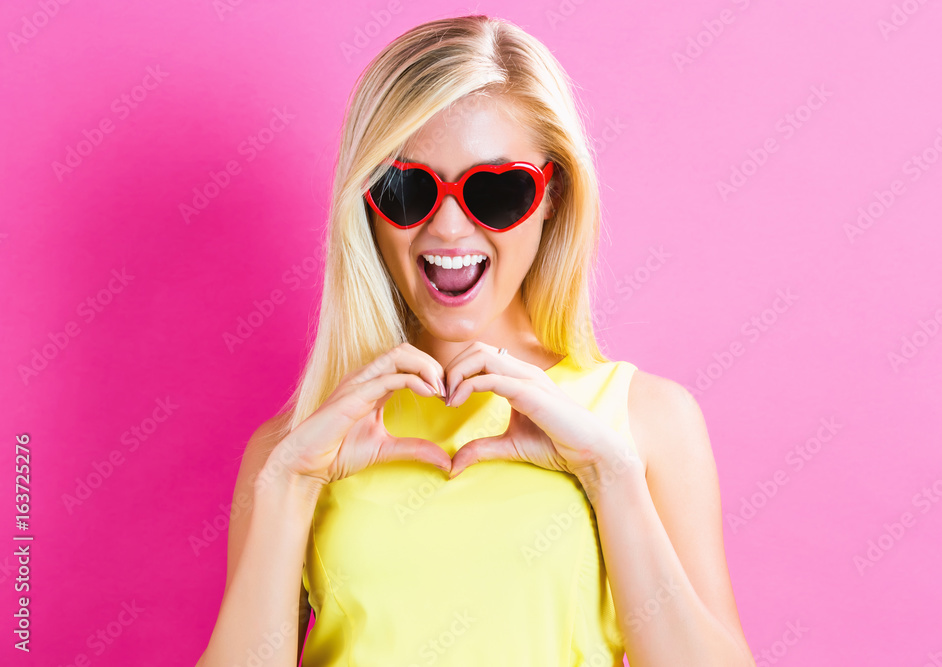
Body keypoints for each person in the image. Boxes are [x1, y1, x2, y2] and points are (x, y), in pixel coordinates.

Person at [198, 14, 755, 667]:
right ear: (367, 203)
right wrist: (289, 485)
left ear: (552, 197)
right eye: (408, 187)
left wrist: (608, 476)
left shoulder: (646, 420)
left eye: (497, 189)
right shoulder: (297, 445)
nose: (449, 228)